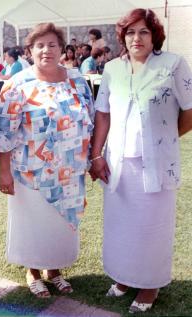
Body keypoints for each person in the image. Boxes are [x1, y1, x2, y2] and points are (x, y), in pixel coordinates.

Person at [89, 8, 192, 313]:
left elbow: (189, 110)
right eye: (131, 32)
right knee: (121, 225)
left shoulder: (174, 64)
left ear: (154, 35)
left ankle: (150, 284)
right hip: (118, 163)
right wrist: (96, 154)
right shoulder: (112, 69)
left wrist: (164, 138)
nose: (137, 38)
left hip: (157, 164)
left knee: (152, 226)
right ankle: (123, 277)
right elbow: (103, 113)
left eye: (144, 31)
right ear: (122, 36)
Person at [0, 22, 94, 299]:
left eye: (52, 44)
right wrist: (4, 172)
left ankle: (55, 270)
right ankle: (33, 271)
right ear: (30, 50)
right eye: (40, 45)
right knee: (34, 223)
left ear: (62, 49)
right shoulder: (17, 83)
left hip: (69, 170)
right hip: (30, 172)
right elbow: (4, 131)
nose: (46, 50)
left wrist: (88, 159)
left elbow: (89, 119)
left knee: (59, 225)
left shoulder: (76, 79)